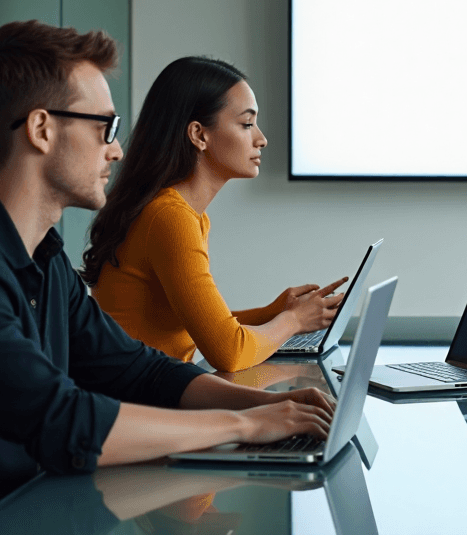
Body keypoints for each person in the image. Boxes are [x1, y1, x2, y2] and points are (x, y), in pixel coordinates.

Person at [0, 21, 336, 534]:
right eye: (103, 127)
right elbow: (64, 421)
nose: (117, 149)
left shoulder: (45, 261)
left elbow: (140, 371)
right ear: (41, 130)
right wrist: (246, 425)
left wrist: (270, 403)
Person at [84, 57, 343, 372]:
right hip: (137, 396)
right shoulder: (170, 217)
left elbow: (205, 330)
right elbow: (229, 352)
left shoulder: (187, 214)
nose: (261, 139)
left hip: (151, 388)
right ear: (199, 135)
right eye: (247, 124)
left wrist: (276, 313)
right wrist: (293, 321)